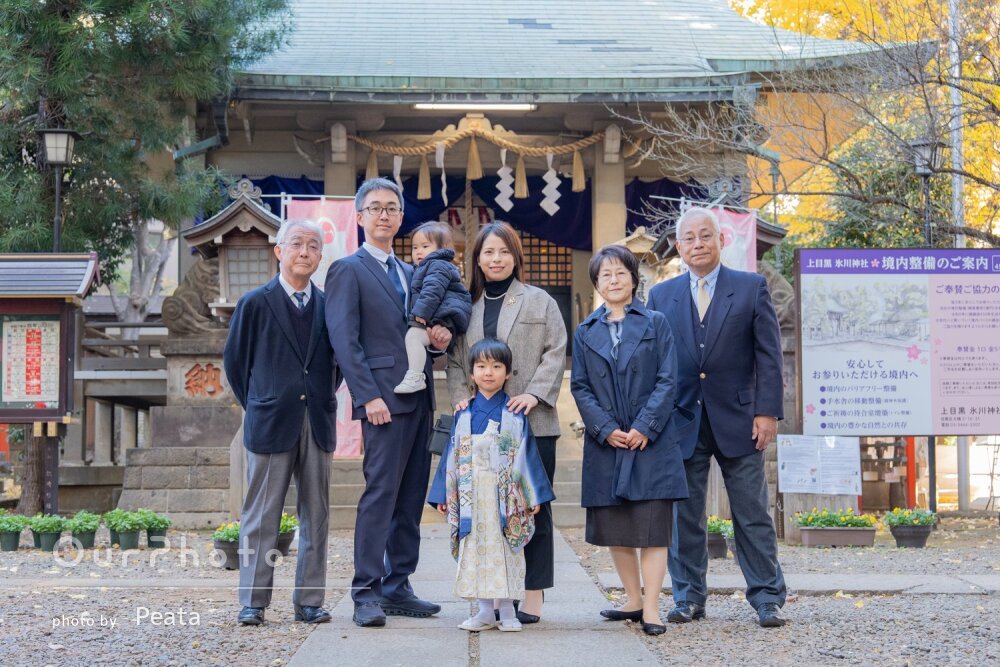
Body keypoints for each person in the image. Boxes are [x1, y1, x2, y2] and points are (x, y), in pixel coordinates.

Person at [646, 207, 787, 628]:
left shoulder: (750, 287)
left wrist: (767, 412)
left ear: (721, 239)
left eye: (705, 235)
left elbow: (769, 355)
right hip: (680, 418)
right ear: (679, 246)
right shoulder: (661, 296)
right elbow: (653, 363)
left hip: (741, 417)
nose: (698, 244)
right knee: (684, 515)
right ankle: (688, 596)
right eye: (689, 238)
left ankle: (767, 597)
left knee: (752, 511)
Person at [325, 178, 453, 628]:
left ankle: (399, 585)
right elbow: (344, 340)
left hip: (419, 399)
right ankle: (366, 591)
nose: (384, 215)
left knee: (411, 496)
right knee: (380, 495)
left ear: (401, 217)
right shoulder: (347, 269)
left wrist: (438, 342)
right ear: (360, 216)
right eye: (376, 207)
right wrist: (368, 396)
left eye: (392, 208)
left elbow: (417, 335)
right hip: (381, 401)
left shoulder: (411, 271)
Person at [446, 221, 567, 623]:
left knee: (532, 507)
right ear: (477, 259)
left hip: (532, 421)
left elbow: (556, 349)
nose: (496, 259)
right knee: (487, 512)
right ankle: (494, 594)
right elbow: (455, 361)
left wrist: (534, 393)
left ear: (516, 256)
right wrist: (460, 396)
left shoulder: (539, 300)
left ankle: (532, 594)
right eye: (488, 252)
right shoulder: (467, 306)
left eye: (503, 251)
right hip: (482, 426)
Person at [223, 219, 339, 627]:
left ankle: (309, 600)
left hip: (317, 420)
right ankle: (253, 601)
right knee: (261, 515)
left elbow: (338, 366)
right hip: (271, 420)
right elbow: (236, 365)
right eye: (297, 244)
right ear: (279, 251)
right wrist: (262, 401)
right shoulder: (255, 303)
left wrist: (317, 396)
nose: (305, 252)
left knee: (316, 515)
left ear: (320, 255)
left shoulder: (328, 305)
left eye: (313, 245)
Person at [570, 245, 688, 636]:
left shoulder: (656, 322)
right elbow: (580, 386)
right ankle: (632, 598)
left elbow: (668, 380)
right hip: (609, 443)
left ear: (634, 279)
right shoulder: (585, 331)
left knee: (652, 528)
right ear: (596, 283)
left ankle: (652, 607)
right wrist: (604, 428)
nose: (614, 280)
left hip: (650, 441)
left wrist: (644, 426)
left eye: (621, 272)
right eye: (605, 274)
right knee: (617, 527)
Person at [429, 338, 555, 633]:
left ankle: (508, 610)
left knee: (507, 550)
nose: (489, 372)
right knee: (475, 549)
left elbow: (527, 455)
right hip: (472, 495)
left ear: (508, 373)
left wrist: (531, 495)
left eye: (497, 366)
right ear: (471, 374)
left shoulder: (514, 414)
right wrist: (443, 493)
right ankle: (485, 611)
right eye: (481, 366)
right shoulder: (463, 413)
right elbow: (450, 455)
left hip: (506, 498)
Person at [394, 221, 472, 394]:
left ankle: (415, 376)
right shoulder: (424, 267)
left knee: (413, 336)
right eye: (415, 247)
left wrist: (421, 313)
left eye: (425, 246)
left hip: (445, 315)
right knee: (415, 337)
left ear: (441, 248)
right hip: (440, 315)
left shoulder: (437, 265)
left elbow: (433, 290)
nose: (418, 251)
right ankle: (415, 375)